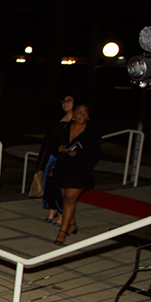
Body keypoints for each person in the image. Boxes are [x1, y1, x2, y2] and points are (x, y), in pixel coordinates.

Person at [48, 103, 101, 246]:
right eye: (79, 112)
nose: (82, 115)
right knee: (65, 197)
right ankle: (72, 224)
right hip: (63, 167)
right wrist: (60, 148)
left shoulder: (92, 132)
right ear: (74, 115)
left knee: (70, 199)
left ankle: (62, 233)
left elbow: (95, 152)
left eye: (85, 112)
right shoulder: (65, 128)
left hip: (80, 169)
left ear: (88, 116)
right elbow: (53, 145)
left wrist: (78, 153)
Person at [38, 95, 75, 224]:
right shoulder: (59, 118)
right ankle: (51, 210)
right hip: (53, 155)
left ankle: (61, 214)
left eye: (69, 101)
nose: (65, 103)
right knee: (49, 185)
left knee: (60, 186)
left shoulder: (76, 120)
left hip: (64, 158)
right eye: (63, 101)